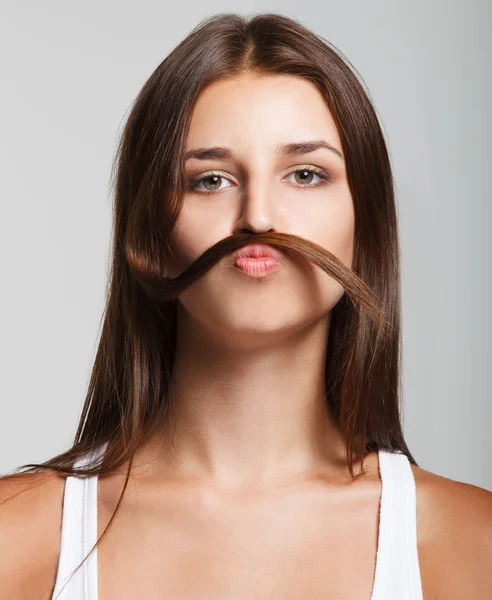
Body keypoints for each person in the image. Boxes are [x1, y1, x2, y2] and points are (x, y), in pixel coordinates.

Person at [1, 12, 491, 600]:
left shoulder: (469, 543)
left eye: (305, 175)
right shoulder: (19, 539)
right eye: (210, 180)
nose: (258, 217)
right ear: (151, 231)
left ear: (367, 223)